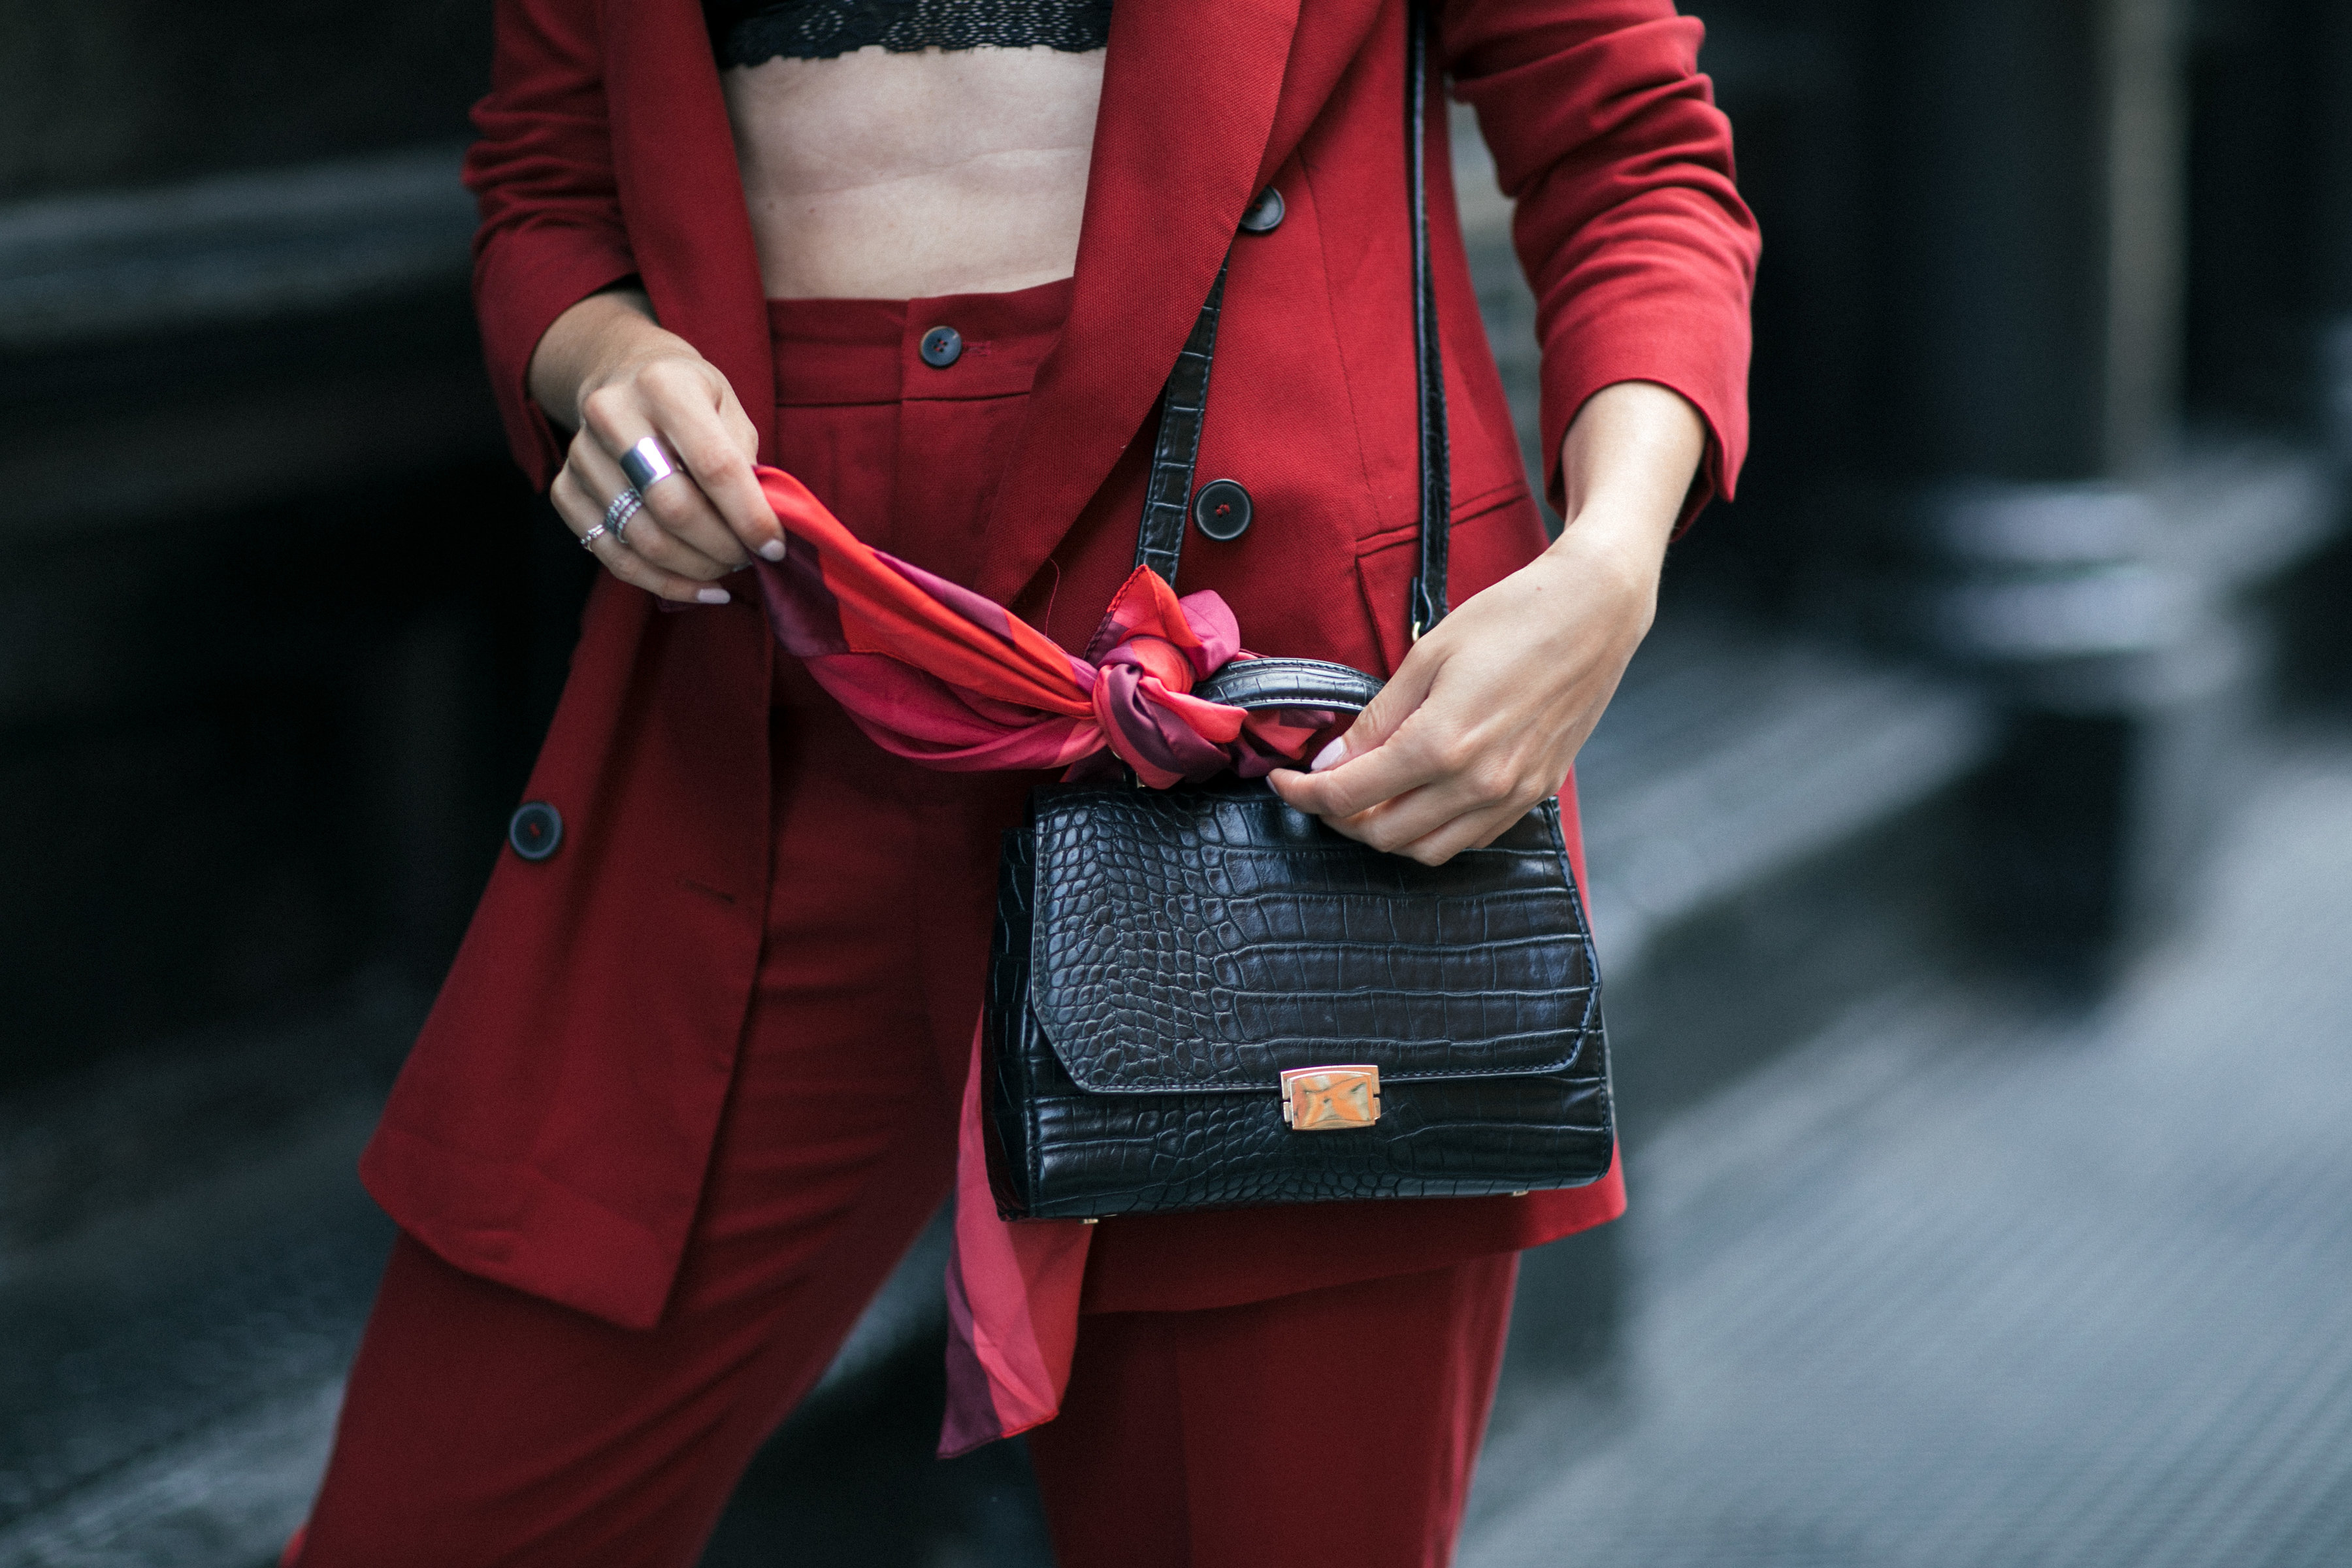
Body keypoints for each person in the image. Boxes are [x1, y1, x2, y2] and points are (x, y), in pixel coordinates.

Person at [289, 0, 1756, 1563]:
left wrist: (1607, 567)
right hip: (768, 684)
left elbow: (1629, 148)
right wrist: (602, 356)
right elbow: (549, 180)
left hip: (1266, 761)